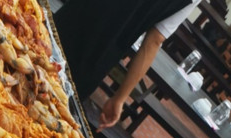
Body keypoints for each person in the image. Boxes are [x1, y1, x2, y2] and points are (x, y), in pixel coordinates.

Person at [54, 0, 200, 128]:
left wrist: (120, 98)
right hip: (103, 52)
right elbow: (154, 41)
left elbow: (155, 40)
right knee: (55, 107)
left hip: (84, 16)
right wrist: (120, 98)